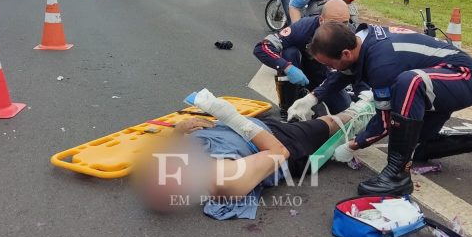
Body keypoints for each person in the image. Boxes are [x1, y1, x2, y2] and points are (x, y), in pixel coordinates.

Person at [291, 22, 472, 196]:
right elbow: (343, 73)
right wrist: (313, 97)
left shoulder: (381, 62)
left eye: (330, 64)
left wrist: (354, 145)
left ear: (346, 53)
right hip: (439, 77)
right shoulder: (360, 42)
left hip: (465, 76)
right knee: (418, 146)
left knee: (409, 83)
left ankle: (398, 176)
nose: (330, 69)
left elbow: (384, 120)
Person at [134, 89, 371, 219]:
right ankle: (364, 109)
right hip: (281, 141)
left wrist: (178, 131)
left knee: (314, 120)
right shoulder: (224, 180)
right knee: (330, 124)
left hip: (244, 131)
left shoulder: (174, 167)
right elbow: (279, 152)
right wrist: (229, 116)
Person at [254, 0, 353, 120]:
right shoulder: (303, 28)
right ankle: (289, 105)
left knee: (346, 112)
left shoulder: (351, 34)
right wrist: (287, 67)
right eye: (333, 23)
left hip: (326, 77)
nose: (340, 29)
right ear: (321, 20)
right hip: (301, 70)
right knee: (289, 52)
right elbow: (262, 47)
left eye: (345, 23)